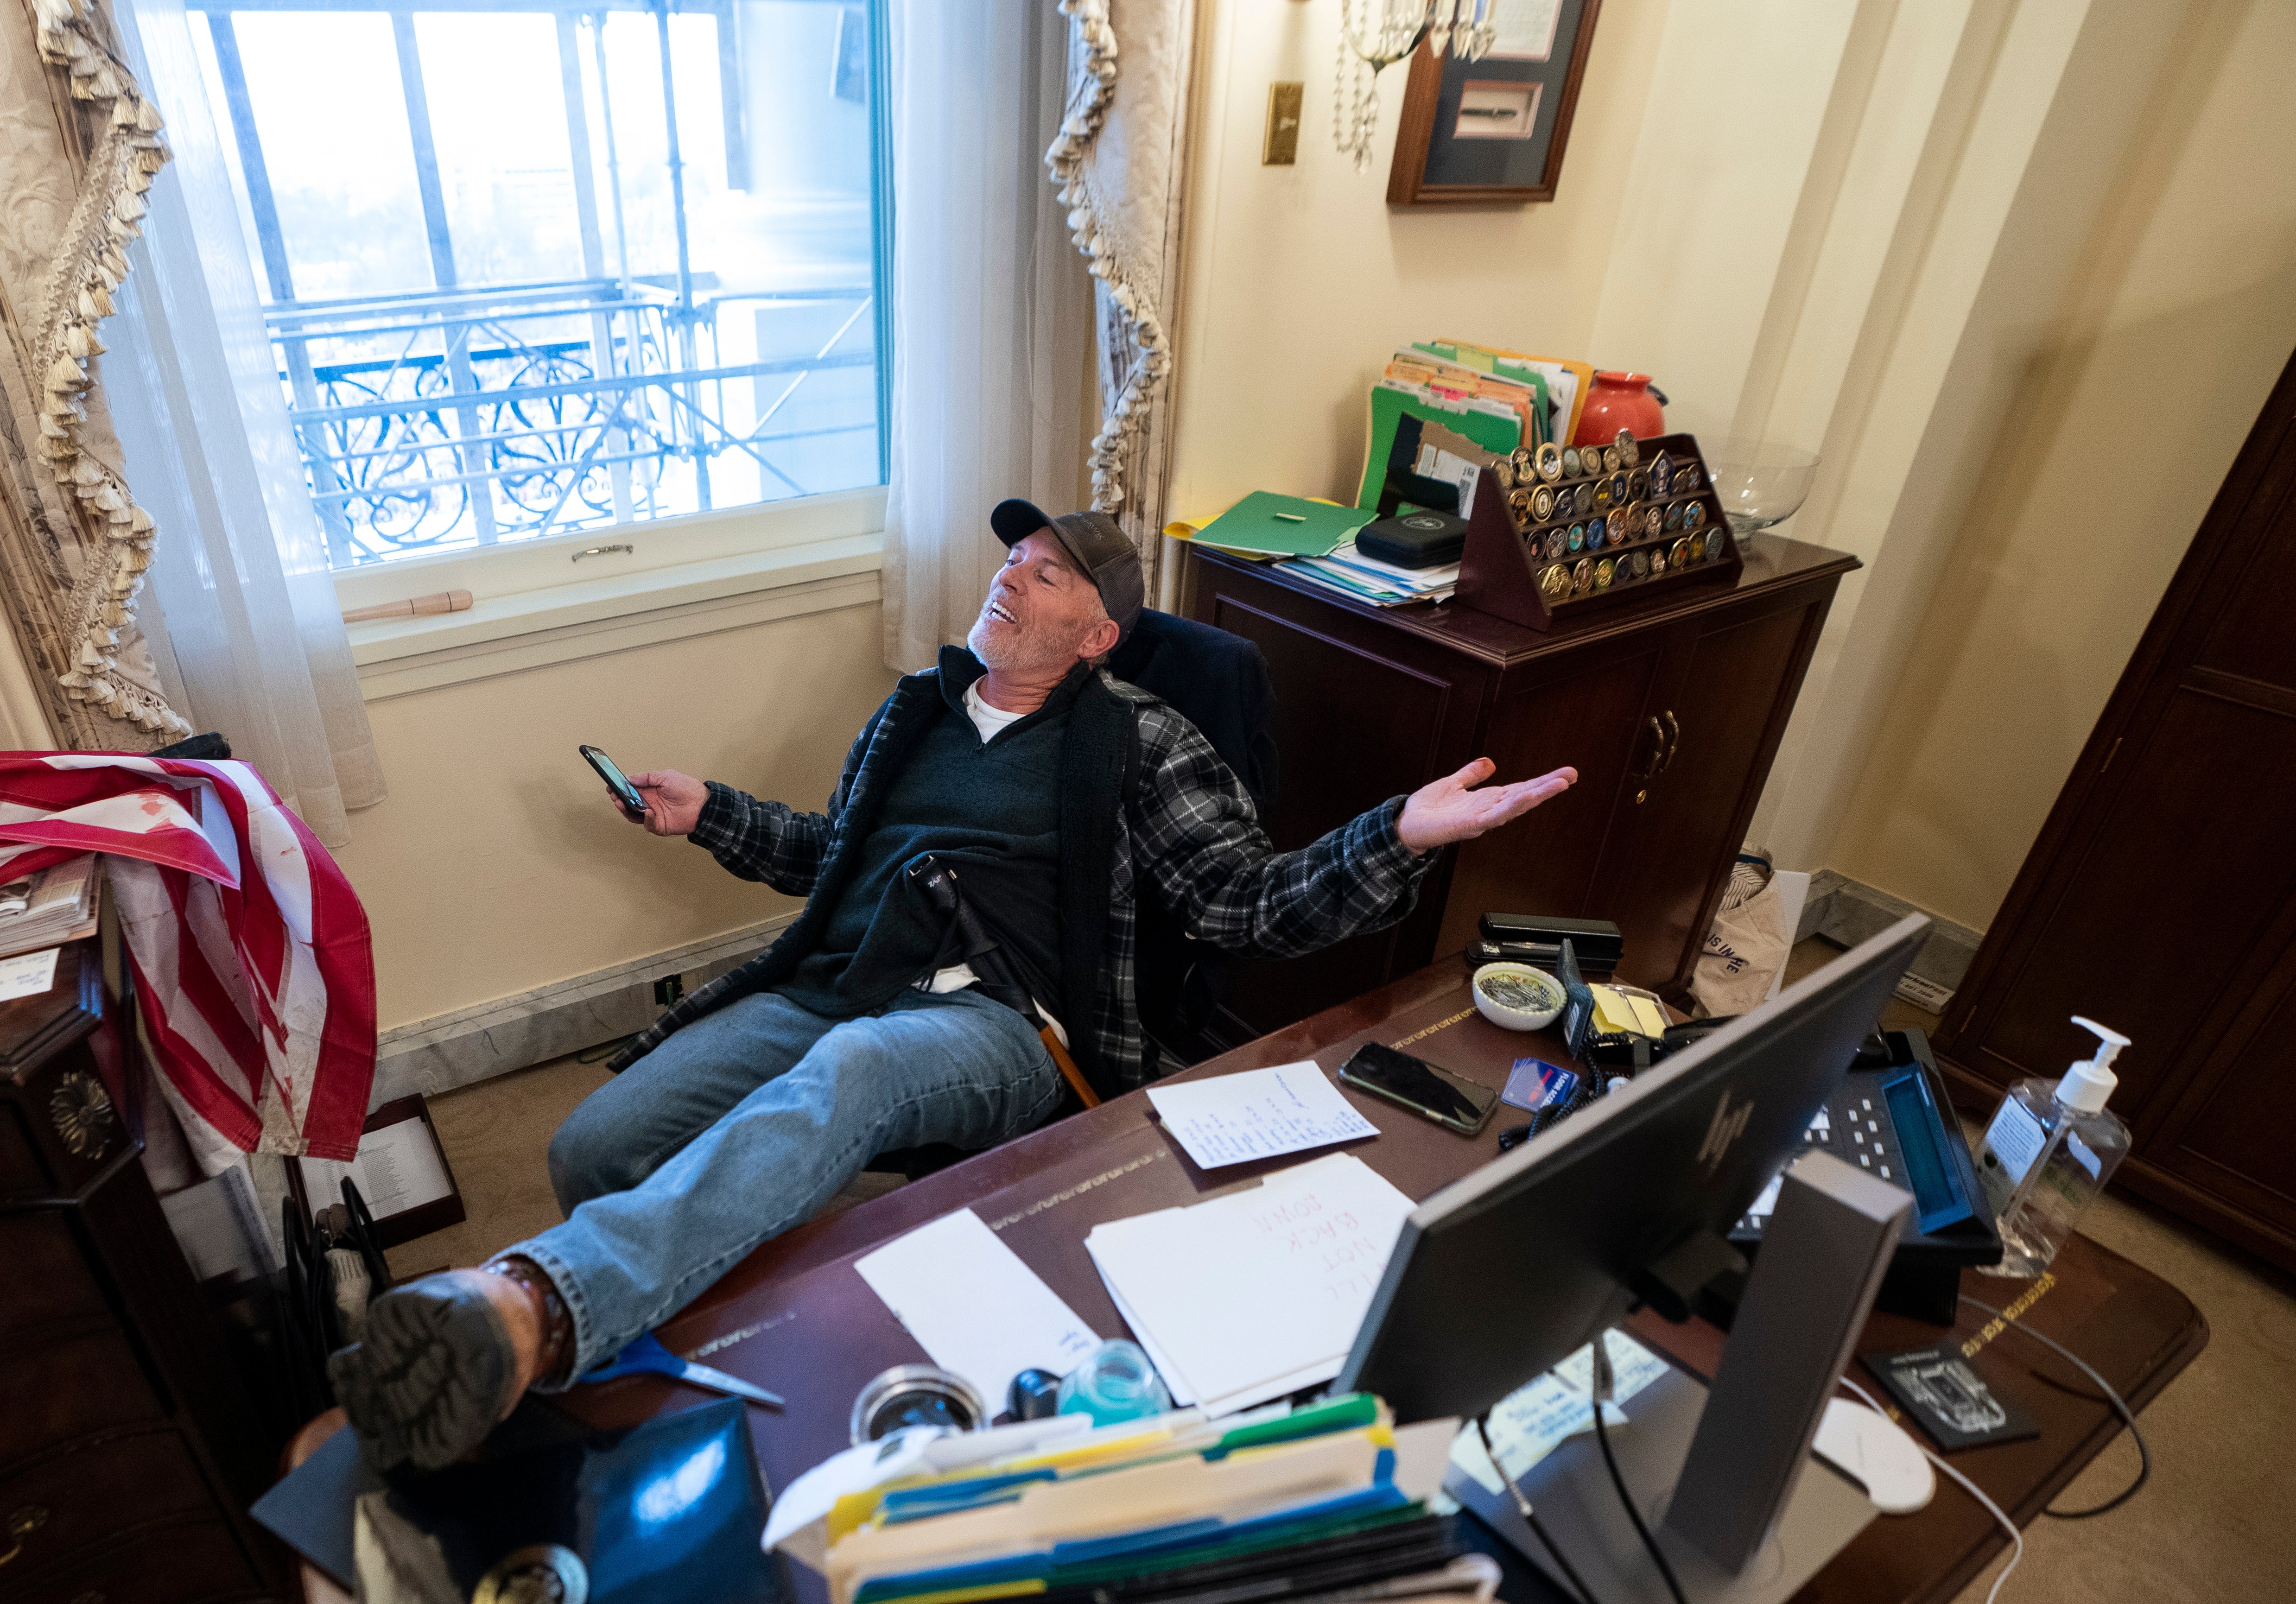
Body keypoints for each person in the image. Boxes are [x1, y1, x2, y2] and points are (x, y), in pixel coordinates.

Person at [330, 499, 1577, 1472]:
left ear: (1100, 635)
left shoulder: (1144, 738)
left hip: (1004, 1022)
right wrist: (712, 814)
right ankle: (696, 1371)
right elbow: (838, 861)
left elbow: (1244, 905)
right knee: (595, 1147)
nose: (1009, 574)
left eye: (1047, 571)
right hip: (835, 983)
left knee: (857, 1074)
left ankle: (534, 1304)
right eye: (1010, 557)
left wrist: (1394, 836)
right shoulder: (916, 713)